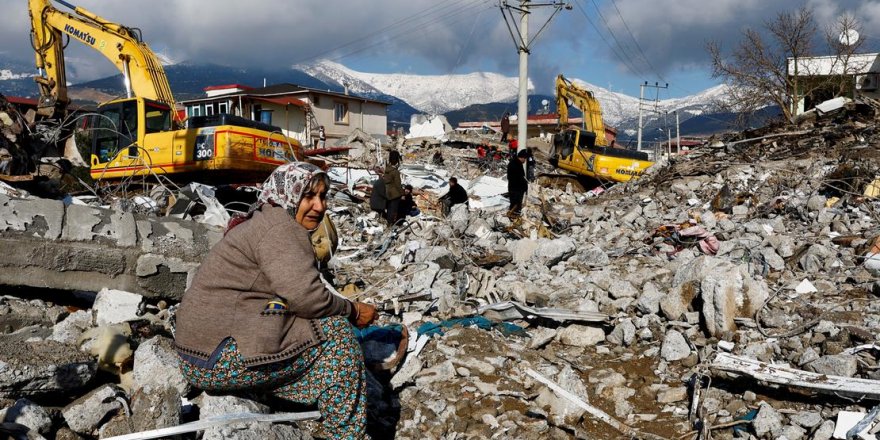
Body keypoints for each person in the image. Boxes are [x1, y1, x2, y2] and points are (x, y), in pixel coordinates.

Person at [174, 162, 377, 440]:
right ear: (289, 194)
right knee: (337, 337)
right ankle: (345, 434)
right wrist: (353, 310)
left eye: (323, 196)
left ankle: (296, 396)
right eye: (309, 196)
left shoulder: (265, 218)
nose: (320, 206)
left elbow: (292, 293)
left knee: (300, 327)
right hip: (215, 360)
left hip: (197, 354)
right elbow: (307, 298)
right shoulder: (280, 229)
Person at [383, 150, 404, 225]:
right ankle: (391, 224)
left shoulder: (387, 170)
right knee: (393, 210)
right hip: (395, 194)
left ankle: (389, 223)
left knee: (389, 209)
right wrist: (402, 194)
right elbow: (398, 184)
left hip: (387, 192)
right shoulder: (395, 172)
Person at [507, 149, 529, 218]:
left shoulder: (516, 163)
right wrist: (524, 185)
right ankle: (513, 217)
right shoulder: (515, 164)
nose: (525, 161)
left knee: (516, 204)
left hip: (516, 188)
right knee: (515, 204)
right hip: (516, 189)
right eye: (525, 159)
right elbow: (519, 178)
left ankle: (513, 216)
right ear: (522, 157)